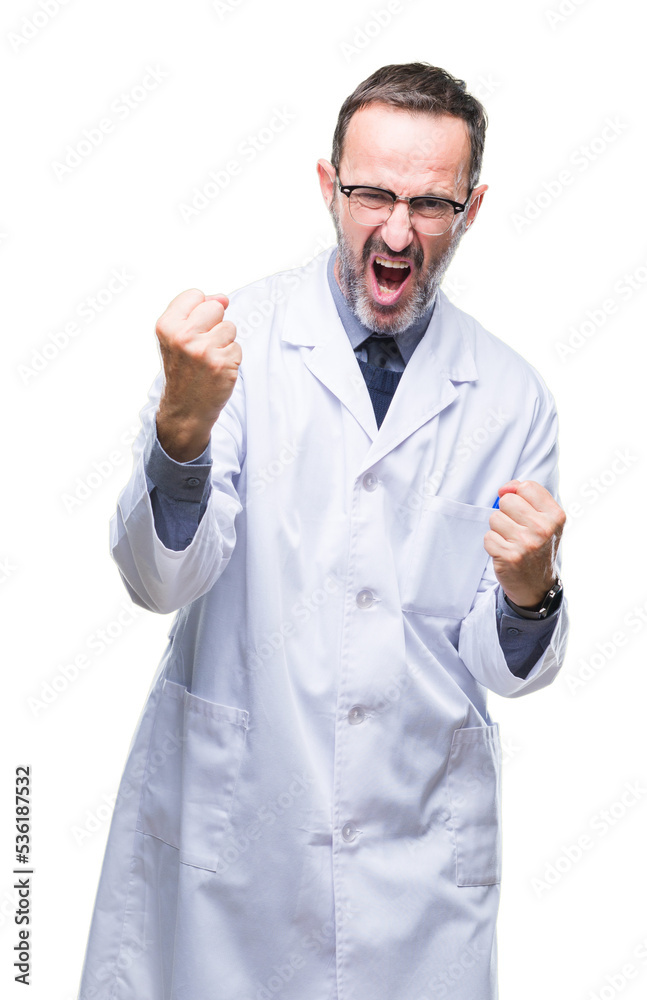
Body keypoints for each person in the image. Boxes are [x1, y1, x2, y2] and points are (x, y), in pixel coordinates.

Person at [77, 62, 569, 1000]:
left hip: (416, 864)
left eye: (429, 204)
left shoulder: (510, 397)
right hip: (236, 839)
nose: (396, 229)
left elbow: (509, 666)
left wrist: (529, 590)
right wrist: (182, 431)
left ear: (471, 209)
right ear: (325, 187)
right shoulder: (231, 346)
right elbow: (158, 581)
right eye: (372, 193)